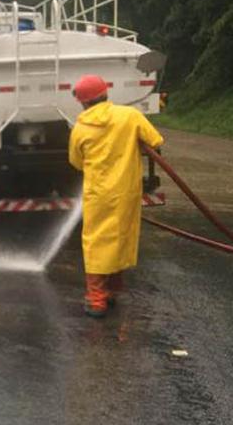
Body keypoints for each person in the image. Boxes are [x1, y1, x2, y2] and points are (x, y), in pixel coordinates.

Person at [68, 74, 164, 318]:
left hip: (98, 194)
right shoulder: (129, 116)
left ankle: (96, 299)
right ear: (105, 93)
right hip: (127, 192)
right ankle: (112, 292)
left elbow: (76, 162)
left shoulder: (80, 128)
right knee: (121, 238)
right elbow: (156, 141)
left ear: (82, 102)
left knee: (96, 243)